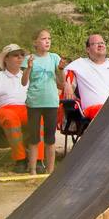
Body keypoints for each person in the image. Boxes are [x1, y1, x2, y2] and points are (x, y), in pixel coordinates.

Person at [0, 44, 38, 171]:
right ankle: (20, 159)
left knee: (38, 118)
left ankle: (38, 160)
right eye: (15, 55)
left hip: (25, 108)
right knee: (10, 118)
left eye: (21, 55)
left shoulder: (27, 75)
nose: (20, 58)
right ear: (6, 59)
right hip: (4, 109)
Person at [21, 28, 65, 174]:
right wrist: (28, 68)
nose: (47, 41)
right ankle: (32, 169)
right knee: (34, 138)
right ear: (35, 42)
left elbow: (61, 82)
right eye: (43, 39)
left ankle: (50, 171)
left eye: (49, 39)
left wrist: (61, 69)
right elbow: (23, 82)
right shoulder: (29, 59)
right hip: (34, 103)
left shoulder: (54, 58)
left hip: (51, 102)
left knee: (50, 138)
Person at [64, 33, 109, 118]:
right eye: (95, 44)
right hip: (94, 111)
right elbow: (60, 76)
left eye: (102, 43)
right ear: (88, 49)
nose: (100, 45)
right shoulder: (80, 64)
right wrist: (67, 84)